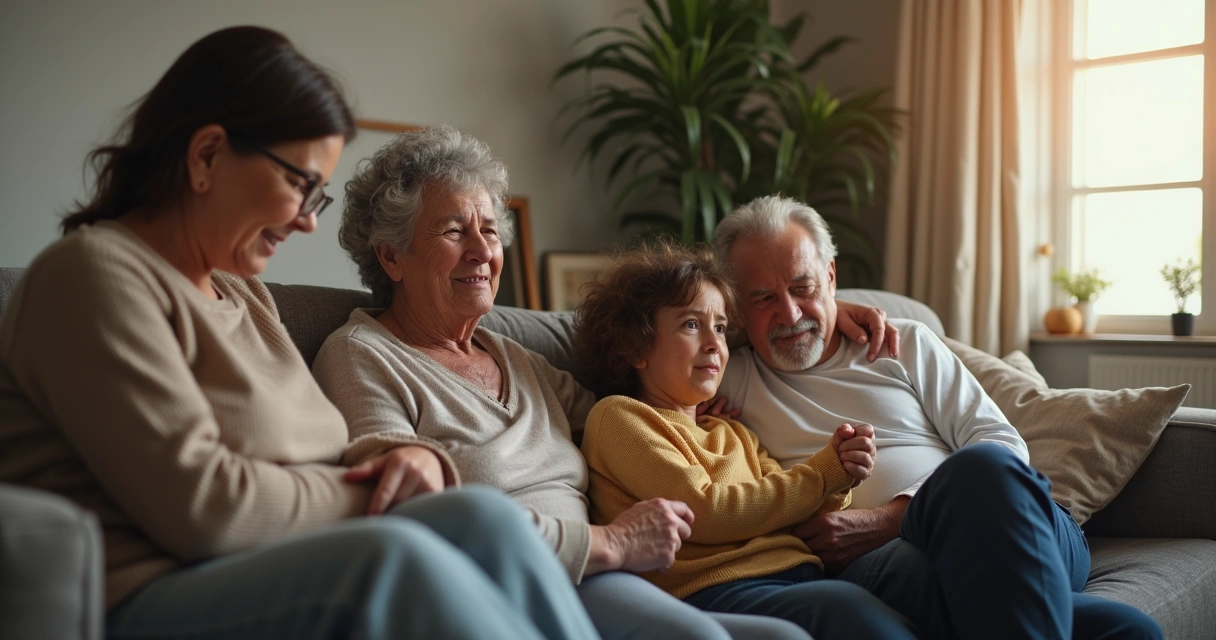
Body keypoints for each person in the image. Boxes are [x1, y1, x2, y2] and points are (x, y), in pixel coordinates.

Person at [0, 27, 599, 640]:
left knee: (480, 515)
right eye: (299, 184)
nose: (309, 222)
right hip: (150, 591)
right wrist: (379, 496)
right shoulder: (93, 274)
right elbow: (207, 507)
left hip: (279, 561)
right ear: (206, 156)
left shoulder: (245, 297)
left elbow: (335, 450)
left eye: (319, 195)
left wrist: (410, 458)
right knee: (391, 561)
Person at [311, 125, 894, 639]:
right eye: (453, 232)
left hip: (604, 571)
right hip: (517, 572)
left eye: (489, 230)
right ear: (391, 257)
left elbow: (649, 393)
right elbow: (395, 488)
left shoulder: (521, 362)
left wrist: (818, 314)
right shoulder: (362, 354)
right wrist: (609, 543)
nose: (483, 251)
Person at [711, 195, 1164, 640]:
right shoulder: (725, 380)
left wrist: (890, 518)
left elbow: (1004, 445)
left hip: (1016, 526)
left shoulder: (901, 342)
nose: (789, 313)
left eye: (802, 287)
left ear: (831, 277)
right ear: (736, 308)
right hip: (898, 563)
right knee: (1129, 630)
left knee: (981, 468)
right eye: (764, 298)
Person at [571, 241, 917, 639]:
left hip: (797, 576)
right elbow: (705, 509)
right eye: (690, 324)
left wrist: (843, 477)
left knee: (915, 578)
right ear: (637, 347)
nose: (715, 343)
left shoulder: (733, 432)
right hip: (713, 590)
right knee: (852, 613)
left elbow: (795, 510)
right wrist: (825, 473)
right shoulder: (620, 418)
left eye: (720, 327)